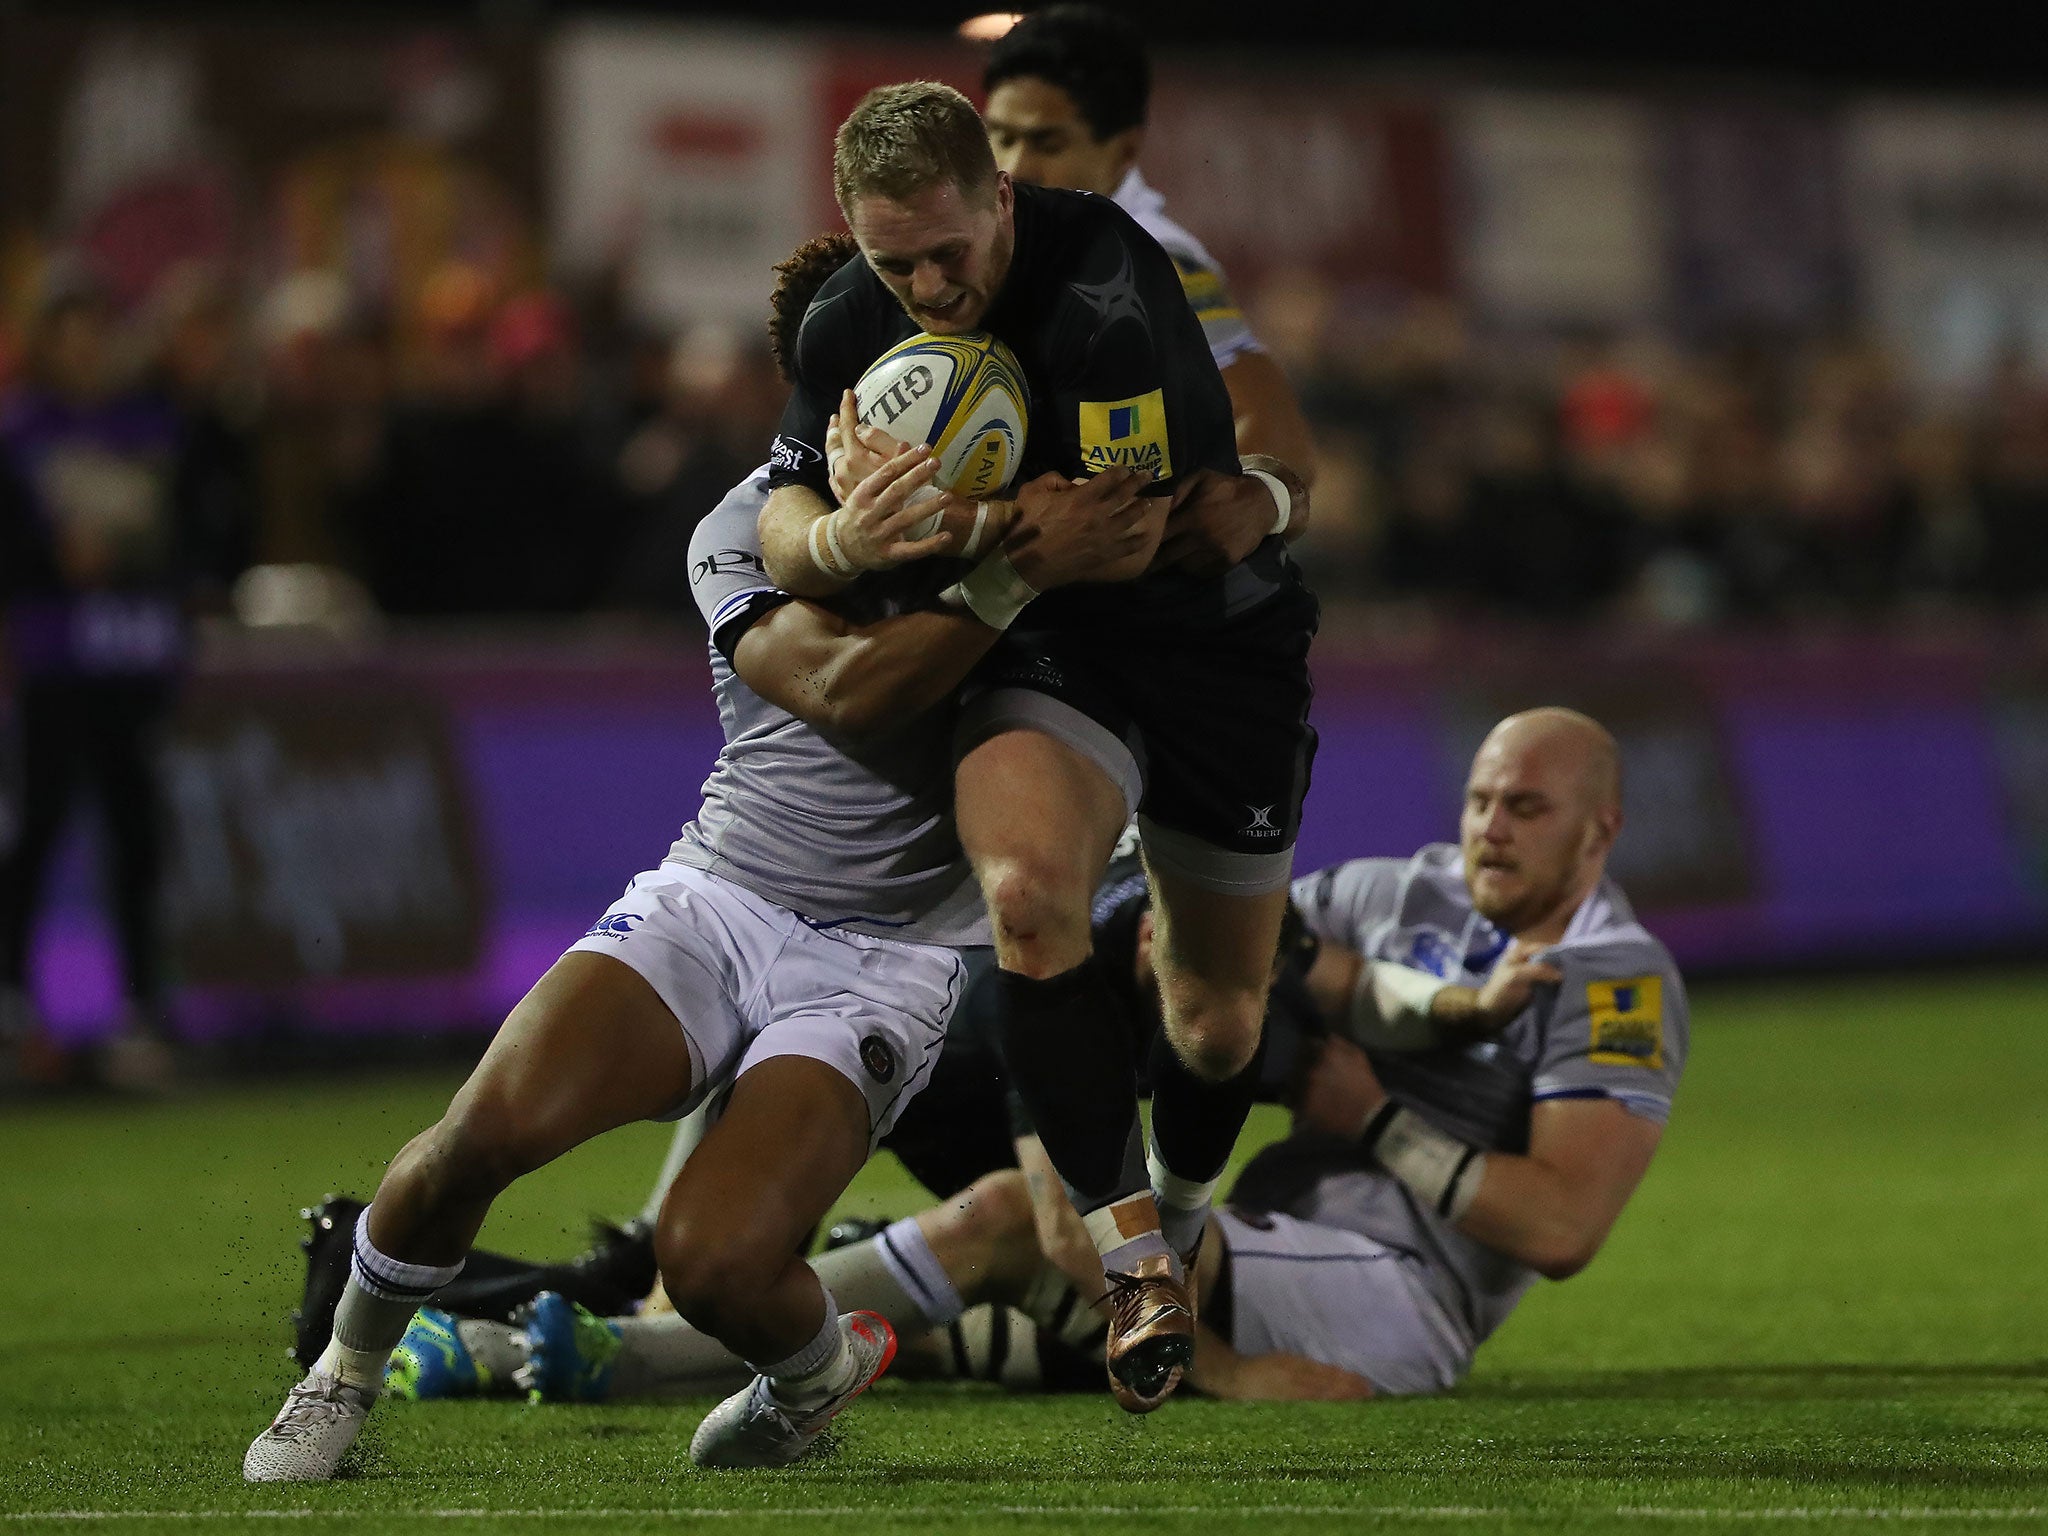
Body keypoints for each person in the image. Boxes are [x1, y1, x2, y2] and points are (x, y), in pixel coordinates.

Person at [242, 233, 1166, 1481]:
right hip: (718, 897)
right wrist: (1005, 575)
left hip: (884, 964)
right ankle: (339, 1378)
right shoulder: (746, 526)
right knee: (480, 1138)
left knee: (716, 1263)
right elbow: (842, 691)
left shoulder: (1022, 513)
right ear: (833, 399)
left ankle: (812, 1378)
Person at [503, 708, 1687, 1403]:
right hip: (1259, 1239)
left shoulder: (1615, 980)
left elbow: (1558, 1230)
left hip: (1392, 1295)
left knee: (1024, 1224)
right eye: (1481, 797)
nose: (1488, 825)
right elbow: (1260, 948)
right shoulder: (1399, 887)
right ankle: (540, 1321)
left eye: (1524, 807)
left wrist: (1376, 1118)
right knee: (800, 1021)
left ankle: (637, 1351)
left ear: (1600, 828)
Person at [759, 79, 1319, 1413]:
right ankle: (1131, 1265)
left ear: (999, 200)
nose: (931, 286)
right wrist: (846, 534)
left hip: (1208, 648)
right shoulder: (851, 320)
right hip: (1049, 647)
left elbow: (1118, 535)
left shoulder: (1108, 281)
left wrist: (927, 515)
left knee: (1220, 1020)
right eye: (898, 261)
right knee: (1023, 897)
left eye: (952, 251)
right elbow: (783, 510)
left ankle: (1173, 1230)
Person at [980, 4, 1317, 485]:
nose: (1015, 166)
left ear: (1125, 150)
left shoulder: (1158, 258)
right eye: (1001, 136)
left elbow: (1275, 431)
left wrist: (1153, 537)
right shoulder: (1007, 241)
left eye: (1048, 144)